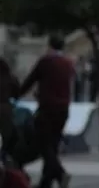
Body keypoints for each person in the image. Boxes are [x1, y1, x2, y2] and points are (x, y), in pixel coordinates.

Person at [17, 35, 73, 188]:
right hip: (63, 109)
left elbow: (31, 80)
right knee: (53, 144)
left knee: (43, 143)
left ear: (50, 46)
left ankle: (60, 173)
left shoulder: (46, 62)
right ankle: (46, 181)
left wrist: (17, 94)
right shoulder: (68, 63)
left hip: (48, 109)